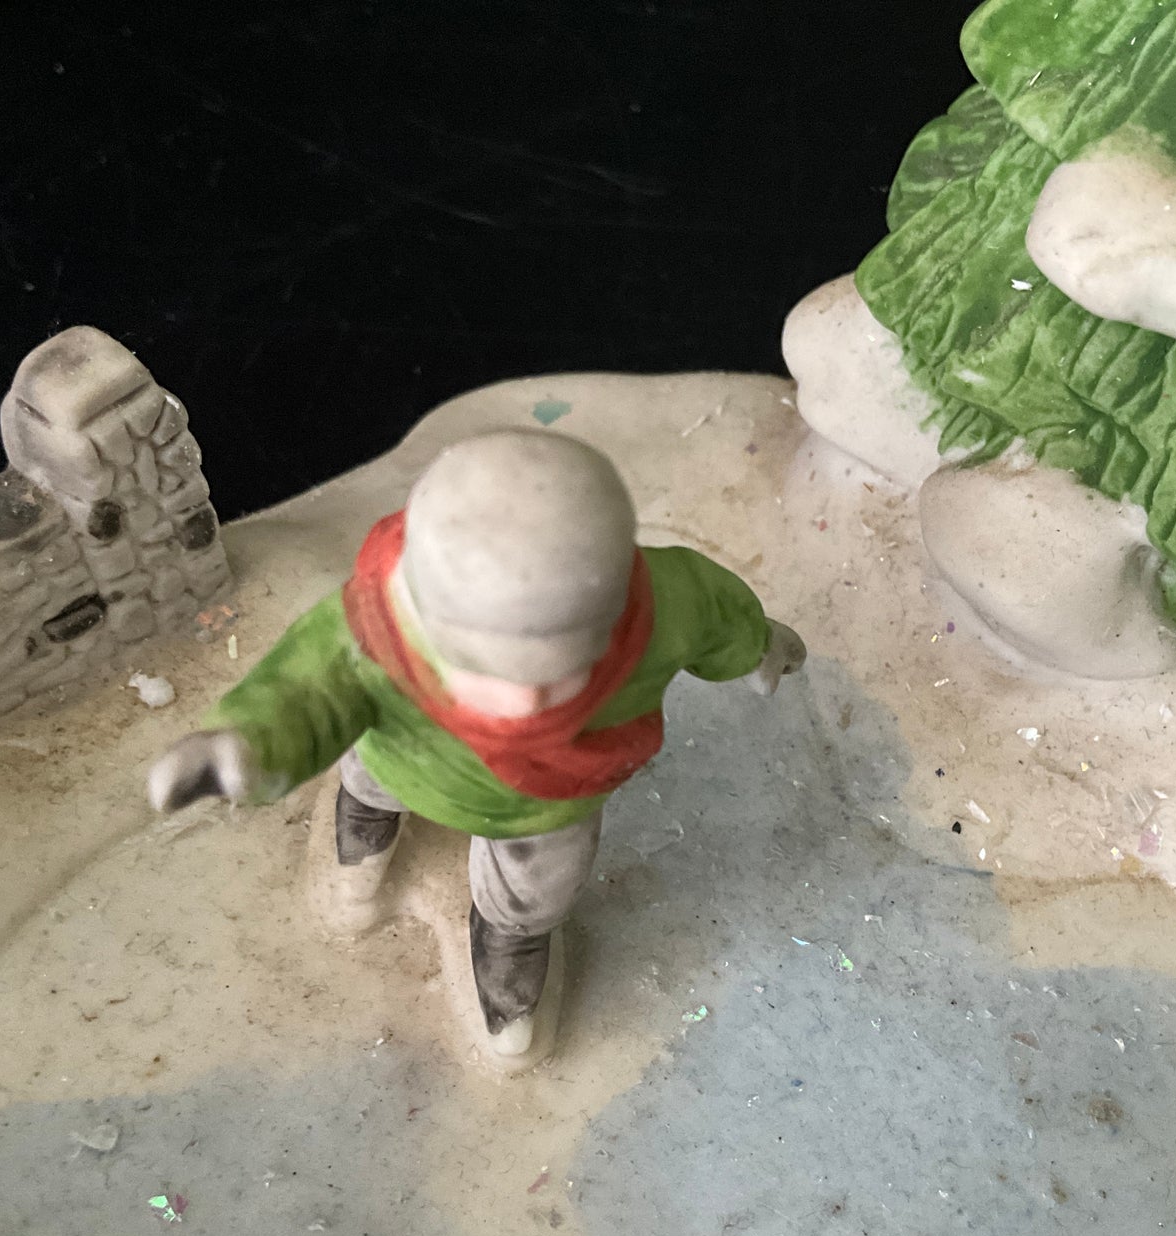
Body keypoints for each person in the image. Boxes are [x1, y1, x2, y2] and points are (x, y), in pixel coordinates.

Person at [148, 430, 806, 1058]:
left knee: (537, 890)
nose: (525, 705)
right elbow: (304, 691)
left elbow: (719, 617)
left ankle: (511, 942)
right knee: (369, 775)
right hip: (403, 757)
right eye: (487, 671)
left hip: (546, 806)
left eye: (563, 669)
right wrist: (244, 745)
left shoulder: (668, 601)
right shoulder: (375, 626)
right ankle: (365, 823)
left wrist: (758, 647)